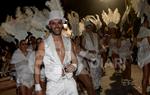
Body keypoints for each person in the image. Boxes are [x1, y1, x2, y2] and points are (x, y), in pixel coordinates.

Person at [34, 10, 78, 95]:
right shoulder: (43, 44)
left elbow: (74, 59)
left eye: (59, 23)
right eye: (53, 23)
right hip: (53, 86)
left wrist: (74, 66)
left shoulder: (69, 41)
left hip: (70, 83)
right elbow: (37, 66)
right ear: (49, 26)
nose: (57, 26)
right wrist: (37, 86)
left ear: (62, 24)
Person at [80, 20, 102, 94]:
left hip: (97, 55)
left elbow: (99, 45)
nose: (89, 28)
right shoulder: (84, 36)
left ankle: (98, 85)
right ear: (86, 28)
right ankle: (95, 87)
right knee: (93, 71)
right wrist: (89, 51)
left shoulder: (96, 35)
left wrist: (100, 50)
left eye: (90, 27)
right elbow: (82, 46)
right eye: (88, 27)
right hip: (90, 56)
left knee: (98, 70)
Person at [137, 15, 150, 95]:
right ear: (144, 23)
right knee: (146, 76)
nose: (149, 23)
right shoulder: (147, 31)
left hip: (142, 56)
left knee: (145, 76)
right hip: (148, 56)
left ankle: (144, 92)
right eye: (147, 21)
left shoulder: (139, 32)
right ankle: (144, 92)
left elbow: (136, 45)